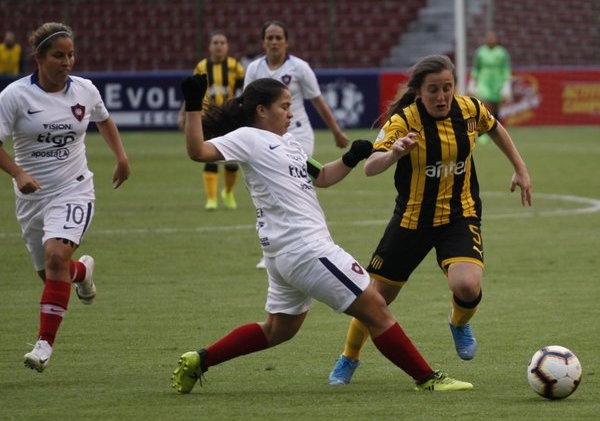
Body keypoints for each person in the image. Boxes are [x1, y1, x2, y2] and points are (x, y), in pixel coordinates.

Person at [171, 73, 474, 394]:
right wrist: (192, 105)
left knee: (277, 330)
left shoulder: (289, 145)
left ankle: (199, 360)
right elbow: (198, 152)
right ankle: (427, 379)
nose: (291, 113)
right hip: (305, 248)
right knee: (377, 309)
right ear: (262, 110)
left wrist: (350, 158)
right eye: (285, 107)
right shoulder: (248, 137)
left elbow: (323, 177)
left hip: (285, 254)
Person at [328, 54, 532, 385]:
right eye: (433, 90)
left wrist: (520, 168)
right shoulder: (403, 121)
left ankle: (458, 322)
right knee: (375, 299)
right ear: (419, 91)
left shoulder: (470, 110)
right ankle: (349, 356)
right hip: (412, 221)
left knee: (467, 285)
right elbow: (370, 166)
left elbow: (495, 128)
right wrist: (394, 153)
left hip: (459, 214)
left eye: (447, 88)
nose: (441, 97)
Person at [0, 22, 130, 372]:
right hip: (30, 197)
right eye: (59, 55)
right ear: (39, 57)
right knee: (52, 275)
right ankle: (82, 272)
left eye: (71, 54)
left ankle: (43, 345)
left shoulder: (84, 91)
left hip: (74, 188)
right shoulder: (14, 96)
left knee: (55, 257)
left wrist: (121, 157)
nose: (67, 61)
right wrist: (18, 173)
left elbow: (104, 120)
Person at [245, 20, 349, 268]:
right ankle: (271, 243)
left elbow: (318, 101)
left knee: (293, 183)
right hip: (266, 137)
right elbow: (246, 104)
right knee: (265, 187)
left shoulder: (300, 67)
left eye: (278, 37)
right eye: (269, 38)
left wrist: (336, 131)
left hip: (298, 135)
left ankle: (308, 238)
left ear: (286, 42)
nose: (273, 42)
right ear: (263, 42)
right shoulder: (254, 69)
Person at [177, 30, 245, 210]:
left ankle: (228, 193)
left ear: (227, 46)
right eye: (215, 42)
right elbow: (192, 93)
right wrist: (183, 113)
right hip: (208, 118)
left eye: (222, 42)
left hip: (229, 117)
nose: (219, 46)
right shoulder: (201, 66)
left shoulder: (235, 66)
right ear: (210, 46)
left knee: (231, 162)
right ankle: (212, 198)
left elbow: (243, 92)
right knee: (209, 157)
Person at [469, 31, 512, 143]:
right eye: (488, 37)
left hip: (497, 82)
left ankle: (496, 130)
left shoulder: (502, 53)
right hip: (484, 81)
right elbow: (476, 68)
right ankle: (484, 132)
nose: (490, 40)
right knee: (485, 104)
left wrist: (507, 84)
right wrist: (473, 81)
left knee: (495, 108)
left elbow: (505, 68)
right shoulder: (480, 52)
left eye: (492, 37)